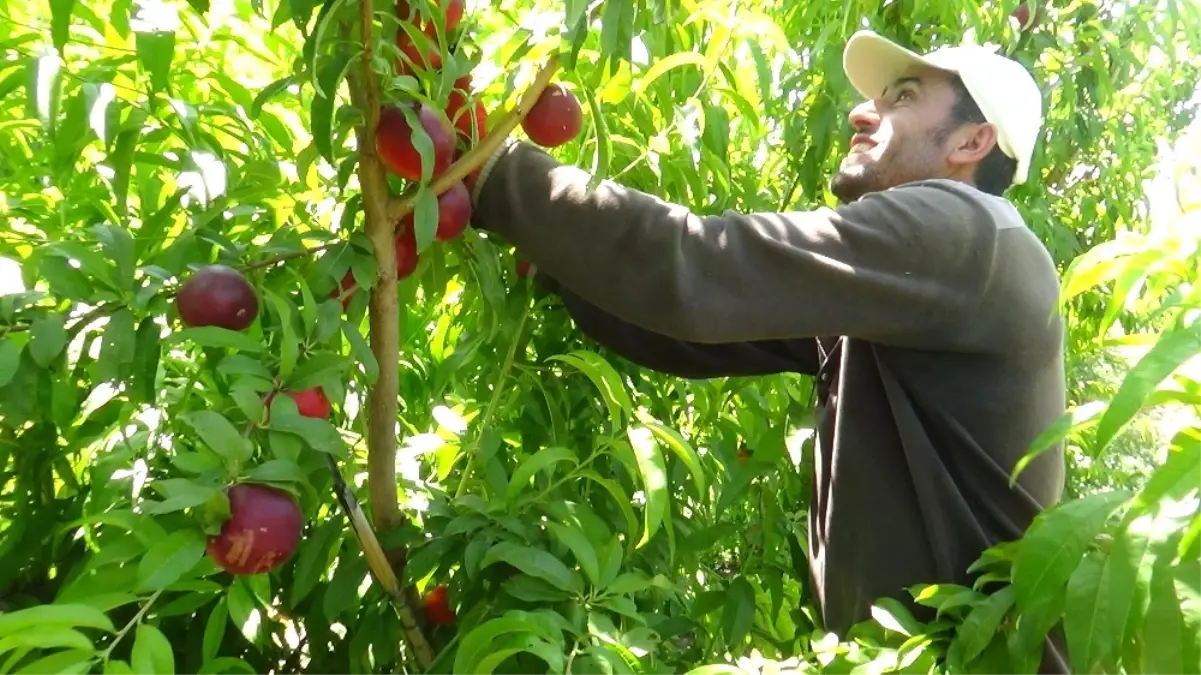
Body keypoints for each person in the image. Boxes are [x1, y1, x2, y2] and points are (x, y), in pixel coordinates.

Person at [468, 30, 1068, 672]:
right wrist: (560, 257)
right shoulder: (910, 291)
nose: (863, 111)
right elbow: (688, 328)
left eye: (902, 97)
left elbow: (699, 265)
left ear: (970, 142)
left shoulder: (968, 232)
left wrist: (493, 171)